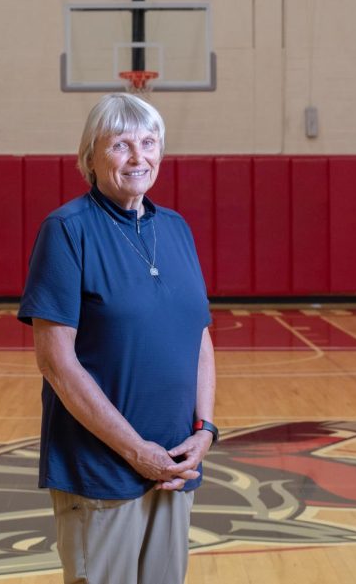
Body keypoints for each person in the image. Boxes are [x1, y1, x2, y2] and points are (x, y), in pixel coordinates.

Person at [17, 93, 218, 584]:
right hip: (100, 472)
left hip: (174, 469)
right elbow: (57, 364)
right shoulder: (67, 230)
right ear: (90, 157)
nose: (137, 157)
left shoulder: (175, 229)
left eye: (148, 143)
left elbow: (201, 338)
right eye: (120, 144)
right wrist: (135, 451)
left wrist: (205, 430)